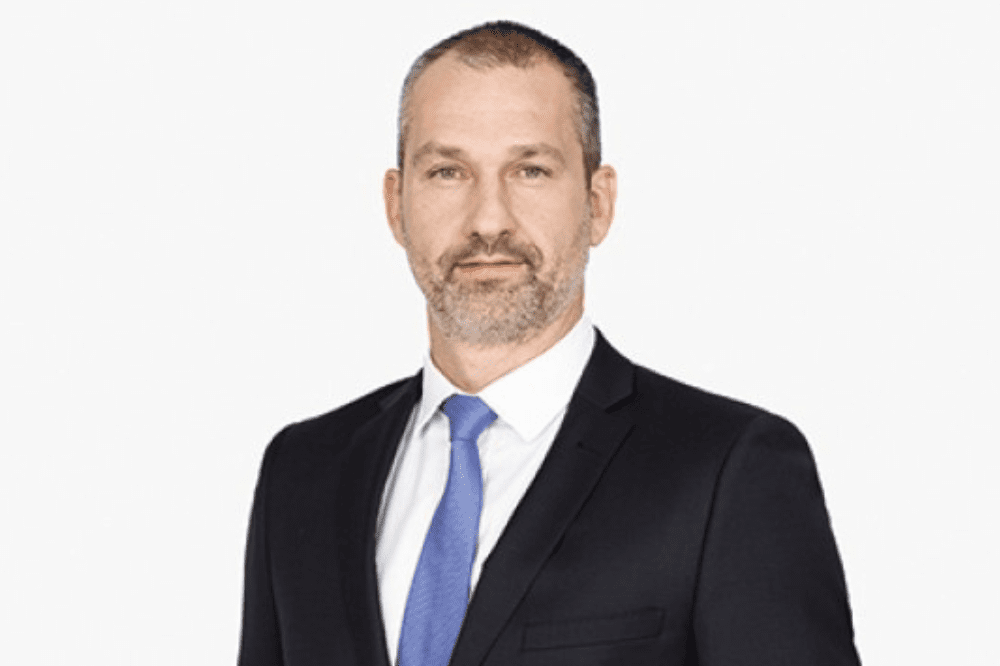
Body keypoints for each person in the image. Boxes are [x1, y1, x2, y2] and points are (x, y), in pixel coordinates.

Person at [237, 20, 861, 666]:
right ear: (397, 205)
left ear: (598, 202)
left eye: (530, 170)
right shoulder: (303, 473)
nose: (488, 221)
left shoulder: (727, 469)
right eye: (448, 171)